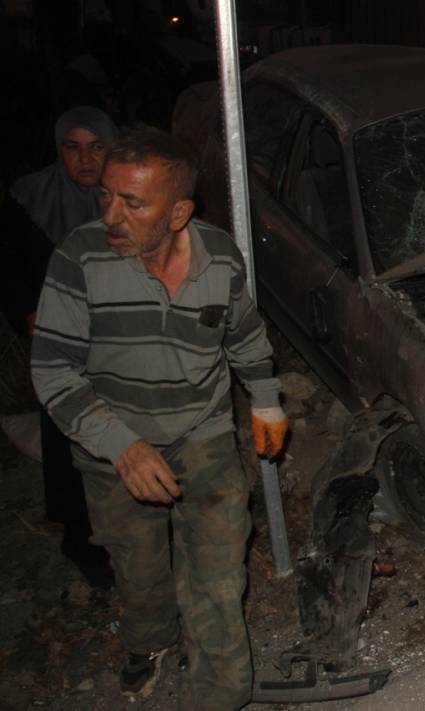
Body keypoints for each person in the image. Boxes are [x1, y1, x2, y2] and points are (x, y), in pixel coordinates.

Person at [31, 126, 289, 708]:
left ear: (178, 213)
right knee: (140, 572)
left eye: (132, 202)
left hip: (202, 433)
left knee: (218, 577)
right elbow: (51, 370)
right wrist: (123, 446)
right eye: (106, 196)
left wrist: (266, 398)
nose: (111, 214)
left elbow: (244, 335)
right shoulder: (80, 257)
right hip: (113, 446)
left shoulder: (220, 255)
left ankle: (219, 696)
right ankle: (149, 642)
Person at [1, 105, 117, 590]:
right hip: (60, 339)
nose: (84, 159)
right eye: (72, 147)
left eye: (96, 147)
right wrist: (29, 310)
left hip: (119, 338)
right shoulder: (28, 200)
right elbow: (10, 268)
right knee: (70, 441)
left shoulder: (133, 195)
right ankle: (88, 548)